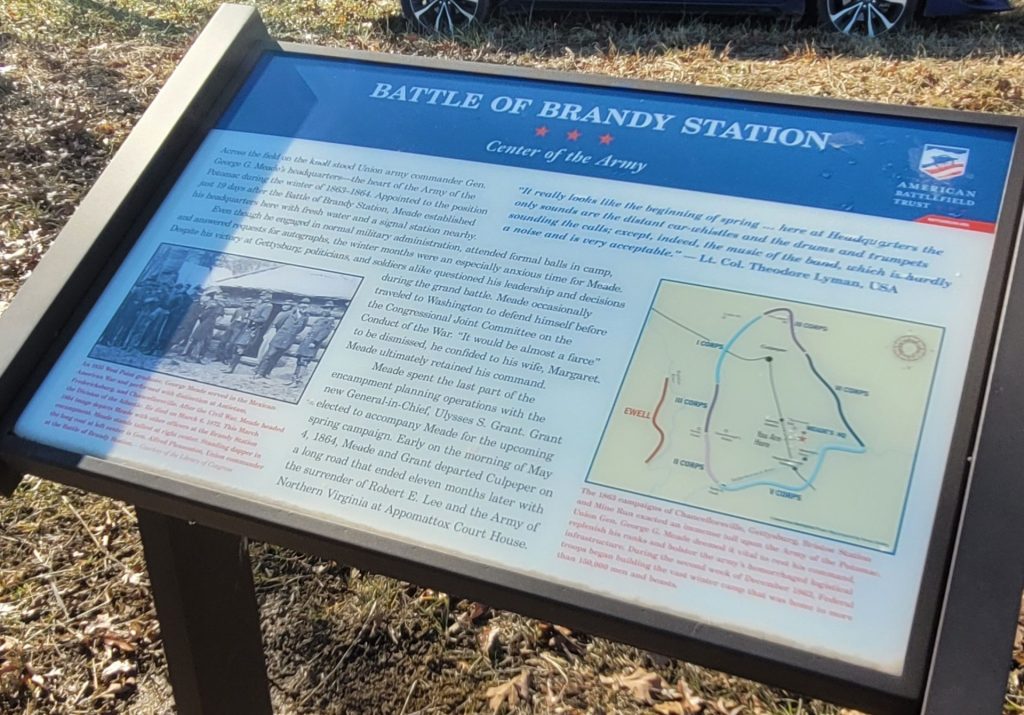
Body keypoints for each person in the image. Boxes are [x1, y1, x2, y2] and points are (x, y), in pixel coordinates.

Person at [254, 298, 309, 379]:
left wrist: (291, 335)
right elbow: (278, 324)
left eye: (306, 305)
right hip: (279, 338)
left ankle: (267, 373)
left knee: (276, 358)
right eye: (302, 304)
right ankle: (259, 372)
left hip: (288, 340)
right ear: (298, 305)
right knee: (269, 356)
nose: (304, 306)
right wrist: (283, 332)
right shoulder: (288, 314)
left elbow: (301, 328)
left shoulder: (305, 317)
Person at [290, 301, 338, 386]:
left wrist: (315, 342)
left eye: (328, 309)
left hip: (312, 344)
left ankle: (298, 381)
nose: (325, 310)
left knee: (304, 361)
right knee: (299, 360)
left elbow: (324, 333)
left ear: (331, 310)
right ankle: (293, 379)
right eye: (324, 308)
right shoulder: (319, 319)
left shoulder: (329, 321)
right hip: (306, 342)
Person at [185, 289, 225, 363]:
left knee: (200, 340)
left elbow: (203, 315)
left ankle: (194, 356)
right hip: (207, 324)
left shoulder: (213, 305)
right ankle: (195, 355)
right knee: (201, 339)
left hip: (206, 324)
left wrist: (202, 316)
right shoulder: (215, 305)